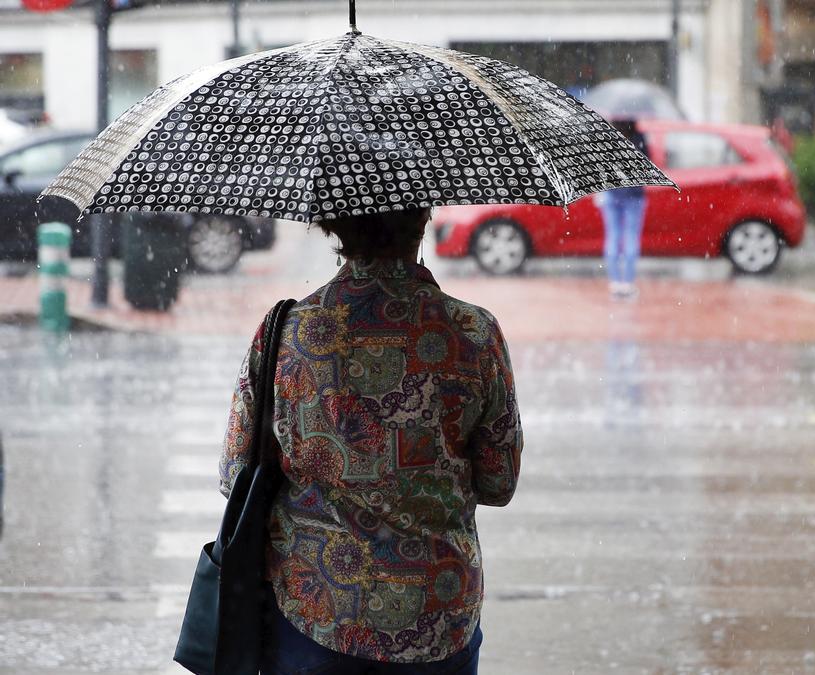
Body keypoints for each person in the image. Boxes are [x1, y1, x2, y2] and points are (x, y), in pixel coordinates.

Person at [219, 206, 523, 674]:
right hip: (437, 613)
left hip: (316, 613)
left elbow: (235, 474)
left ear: (333, 227)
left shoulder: (288, 333)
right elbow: (499, 482)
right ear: (421, 223)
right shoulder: (473, 333)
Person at [598, 119, 649, 299]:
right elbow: (646, 166)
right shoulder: (639, 137)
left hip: (612, 194)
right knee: (631, 237)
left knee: (613, 236)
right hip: (634, 195)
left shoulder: (608, 136)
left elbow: (601, 167)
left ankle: (615, 283)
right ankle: (627, 283)